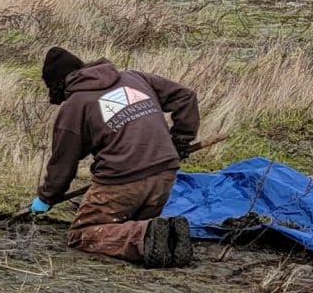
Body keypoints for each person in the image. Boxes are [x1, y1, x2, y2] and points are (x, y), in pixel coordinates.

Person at [31, 46, 200, 267]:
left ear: (60, 84)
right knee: (130, 222)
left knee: (82, 233)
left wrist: (46, 198)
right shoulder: (135, 78)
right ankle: (164, 236)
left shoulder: (76, 104)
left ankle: (143, 236)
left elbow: (64, 162)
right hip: (165, 176)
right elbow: (185, 96)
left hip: (122, 182)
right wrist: (178, 142)